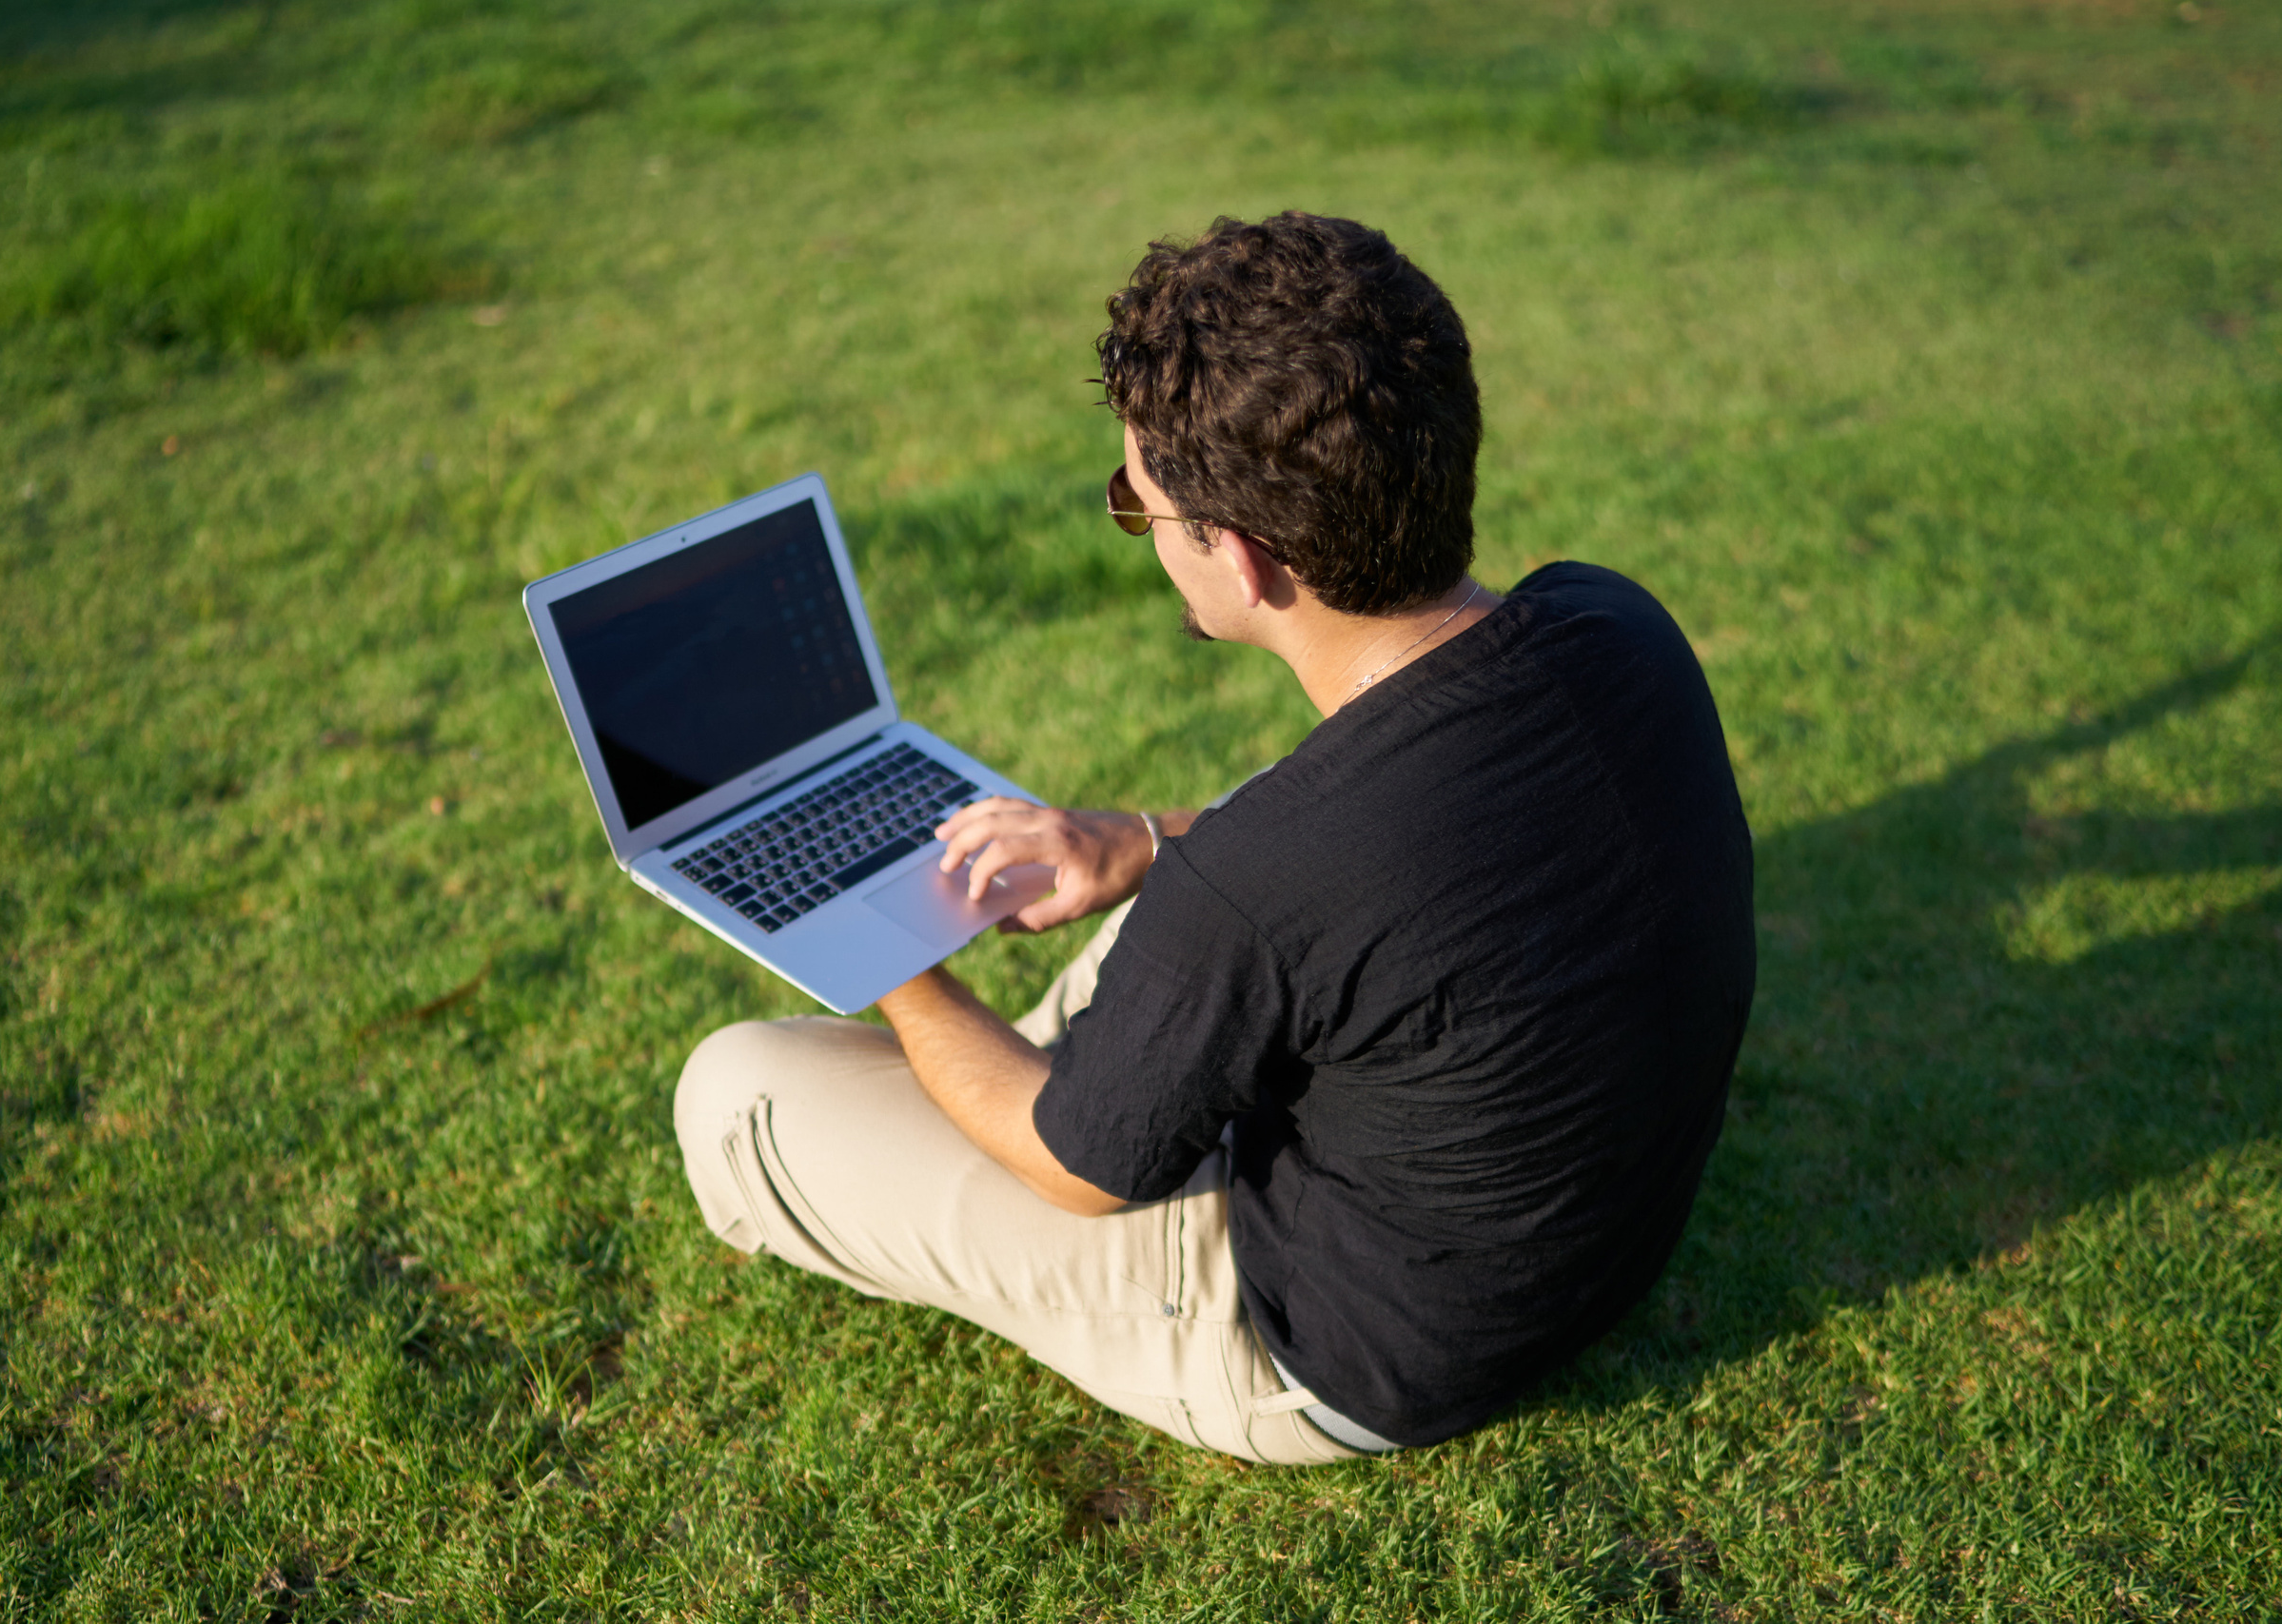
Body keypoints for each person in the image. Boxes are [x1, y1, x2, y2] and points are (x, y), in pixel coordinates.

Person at [674, 212, 1754, 1463]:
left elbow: (1081, 1169)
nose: (1139, 522)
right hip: (1579, 1246)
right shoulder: (1610, 622)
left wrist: (883, 952)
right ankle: (1076, 1051)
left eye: (1138, 504)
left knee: (737, 1086)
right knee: (1240, 846)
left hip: (1323, 1346)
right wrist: (1136, 843)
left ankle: (989, 1075)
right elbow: (1363, 871)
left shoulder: (1270, 876)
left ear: (1236, 558)